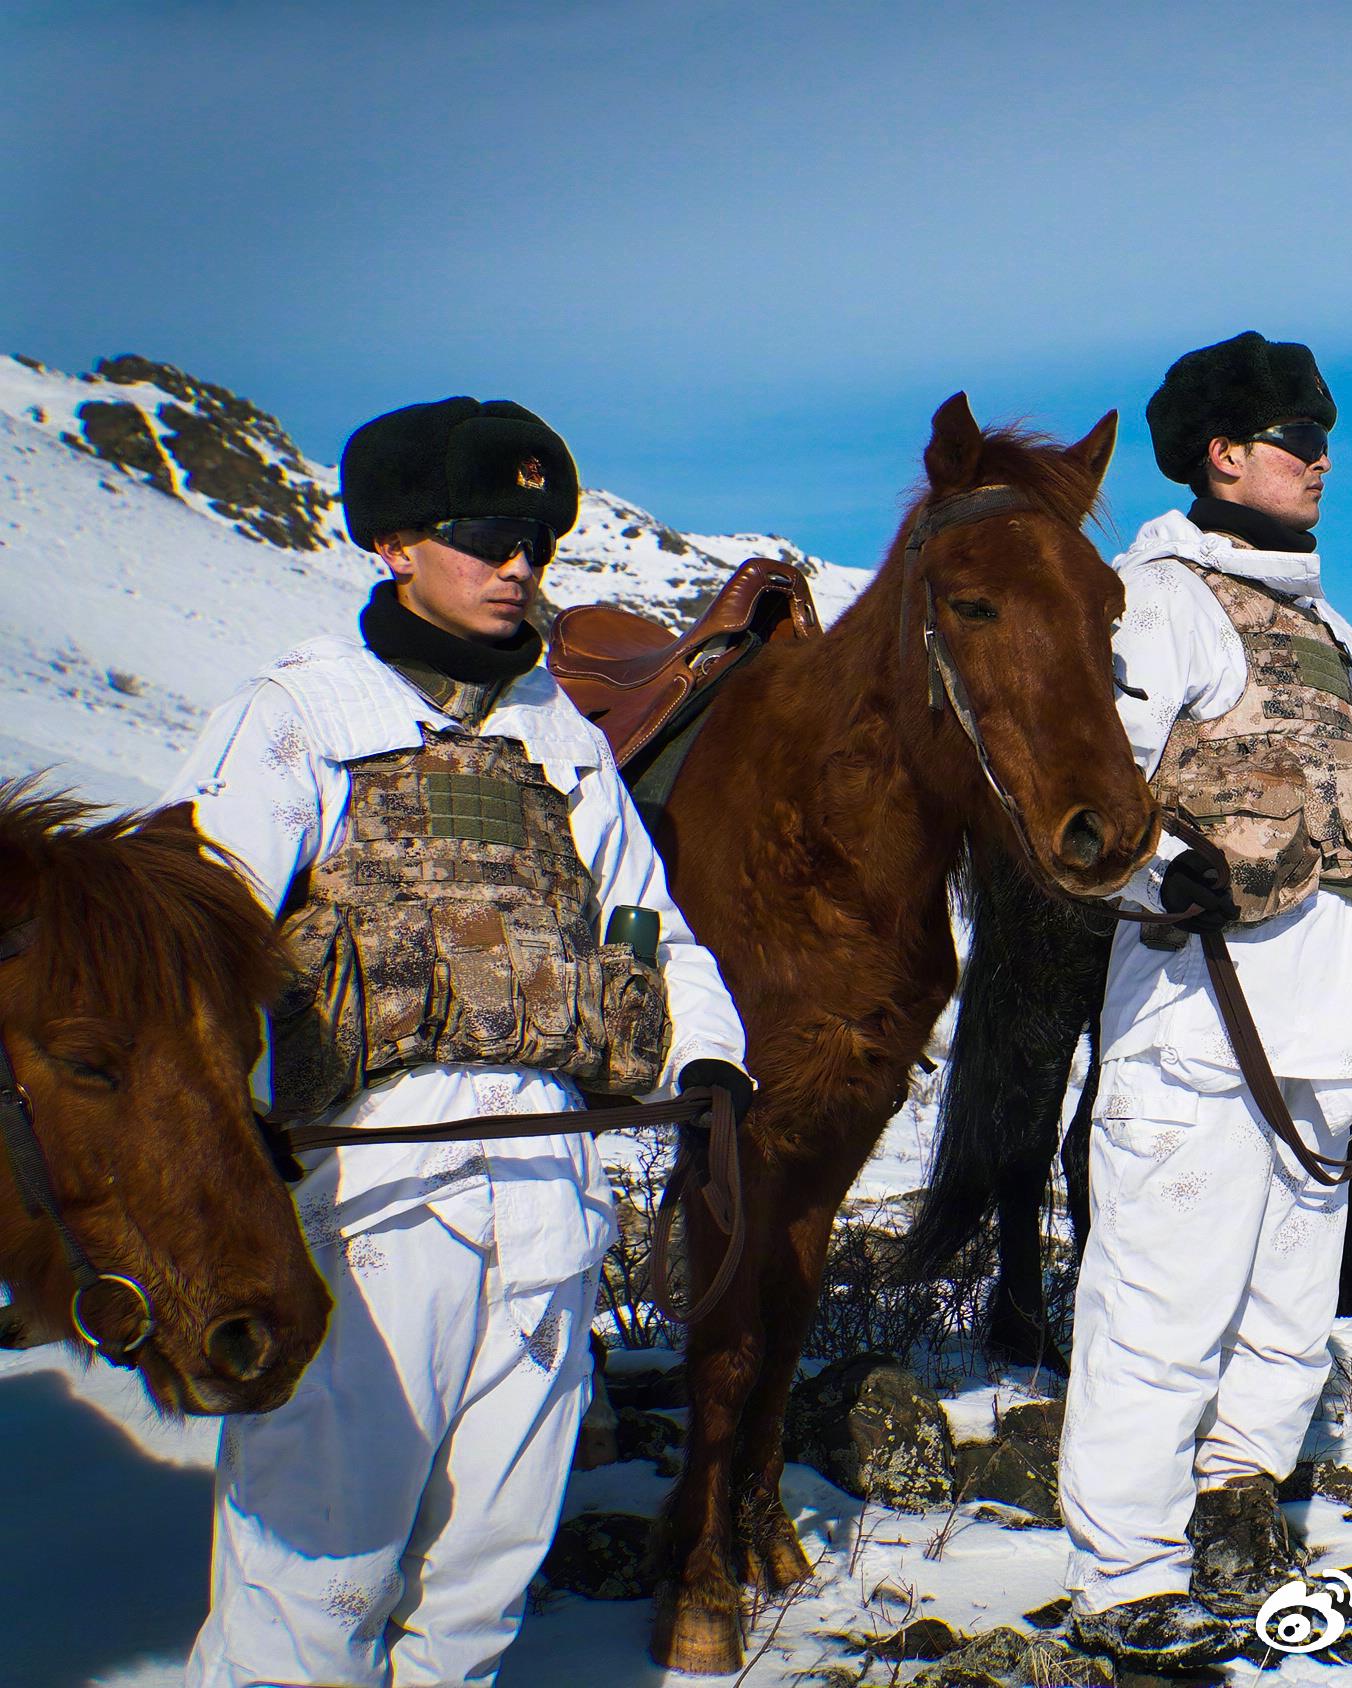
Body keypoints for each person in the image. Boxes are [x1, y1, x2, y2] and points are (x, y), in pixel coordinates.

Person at [169, 397, 751, 1687]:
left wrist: (707, 1060)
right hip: (364, 1202)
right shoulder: (297, 717)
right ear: (393, 542)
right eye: (489, 536)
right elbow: (198, 952)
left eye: (537, 541)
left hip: (548, 1209)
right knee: (319, 1575)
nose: (519, 568)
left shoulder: (563, 739)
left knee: (481, 1585)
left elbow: (655, 933)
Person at [1056, 332, 1352, 1672]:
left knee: (1283, 1316)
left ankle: (1239, 1505)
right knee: (1159, 1311)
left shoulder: (1335, 630)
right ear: (1220, 452)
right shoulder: (1153, 602)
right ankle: (1126, 1579)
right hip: (1199, 1035)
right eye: (1293, 437)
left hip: (1326, 1041)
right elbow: (1091, 791)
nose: (1322, 460)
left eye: (1324, 436)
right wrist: (1163, 875)